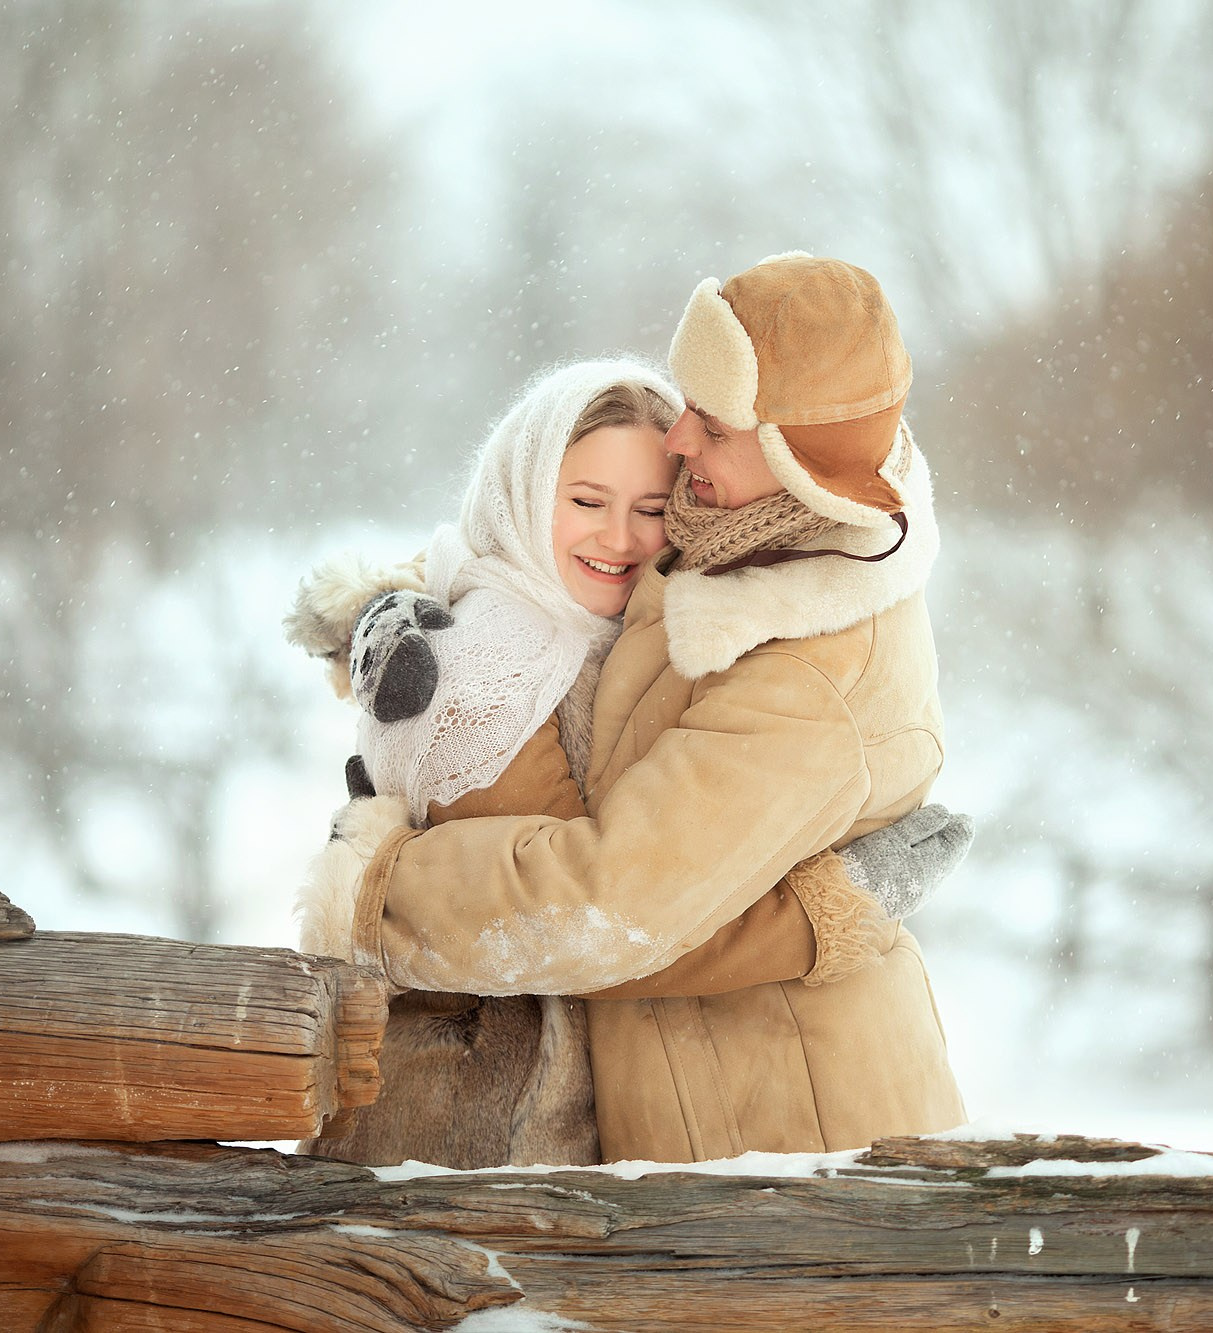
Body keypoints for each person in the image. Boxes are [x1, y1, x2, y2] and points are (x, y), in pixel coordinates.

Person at [312, 255, 968, 1162]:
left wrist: (379, 895)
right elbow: (606, 901)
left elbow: (614, 907)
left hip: (792, 1134)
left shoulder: (804, 662)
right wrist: (819, 914)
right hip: (682, 1119)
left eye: (714, 424)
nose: (680, 436)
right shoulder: (745, 539)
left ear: (796, 462)